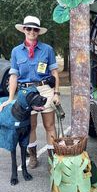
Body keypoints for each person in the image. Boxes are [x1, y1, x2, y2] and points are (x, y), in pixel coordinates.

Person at [0, 15, 60, 169]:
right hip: (26, 93)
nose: (32, 31)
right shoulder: (16, 51)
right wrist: (11, 99)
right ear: (24, 30)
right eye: (29, 28)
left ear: (39, 32)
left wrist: (56, 93)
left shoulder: (47, 50)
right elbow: (13, 76)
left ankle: (52, 158)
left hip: (45, 90)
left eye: (35, 29)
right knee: (30, 126)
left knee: (50, 125)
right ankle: (33, 156)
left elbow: (54, 73)